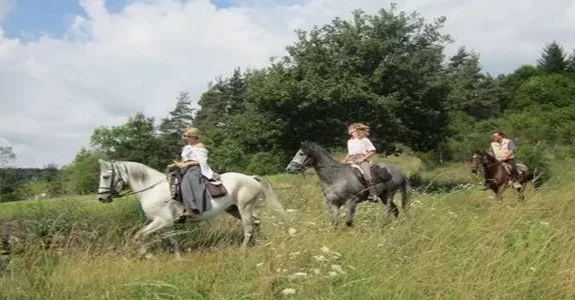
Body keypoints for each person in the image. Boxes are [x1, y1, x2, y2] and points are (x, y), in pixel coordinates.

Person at [168, 127, 216, 218]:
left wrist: (187, 164)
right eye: (185, 136)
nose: (185, 138)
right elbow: (184, 161)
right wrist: (177, 164)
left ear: (193, 137)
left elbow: (202, 161)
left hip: (196, 168)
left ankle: (192, 209)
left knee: (185, 183)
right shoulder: (186, 147)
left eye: (187, 136)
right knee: (174, 181)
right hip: (185, 169)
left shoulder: (200, 146)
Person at [341, 122, 381, 203]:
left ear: (356, 129)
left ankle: (373, 194)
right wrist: (344, 160)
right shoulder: (349, 141)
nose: (349, 130)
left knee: (367, 174)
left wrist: (362, 159)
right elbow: (350, 153)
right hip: (351, 159)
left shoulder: (364, 140)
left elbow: (372, 151)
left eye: (351, 128)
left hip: (361, 159)